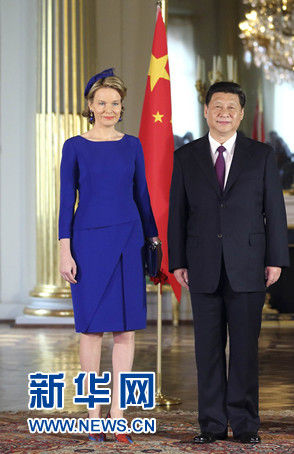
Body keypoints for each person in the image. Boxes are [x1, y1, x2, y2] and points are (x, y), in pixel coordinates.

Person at [168, 81, 289, 445]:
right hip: (201, 264)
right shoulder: (186, 156)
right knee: (207, 351)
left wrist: (276, 259)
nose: (224, 113)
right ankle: (211, 424)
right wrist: (178, 261)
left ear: (241, 114)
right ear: (206, 111)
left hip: (249, 264)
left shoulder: (261, 155)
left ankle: (246, 424)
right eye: (217, 106)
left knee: (245, 350)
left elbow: (275, 211)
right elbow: (177, 213)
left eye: (231, 107)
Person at [58, 68, 160, 443]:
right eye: (101, 103)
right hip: (87, 245)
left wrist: (153, 241)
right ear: (90, 105)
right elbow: (66, 201)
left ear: (121, 107)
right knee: (91, 331)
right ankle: (93, 414)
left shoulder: (132, 145)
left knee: (125, 330)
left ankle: (118, 414)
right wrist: (64, 249)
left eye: (115, 103)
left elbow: (142, 197)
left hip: (129, 242)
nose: (108, 109)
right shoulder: (74, 146)